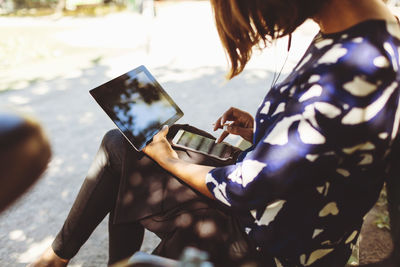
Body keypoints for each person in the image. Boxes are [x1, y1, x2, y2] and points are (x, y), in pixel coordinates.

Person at [31, 0, 400, 266]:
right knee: (123, 144)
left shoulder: (355, 67)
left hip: (273, 242)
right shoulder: (356, 28)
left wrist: (167, 158)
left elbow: (242, 188)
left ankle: (84, 261)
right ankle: (58, 257)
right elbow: (335, 140)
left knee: (144, 151)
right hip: (276, 204)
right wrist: (267, 131)